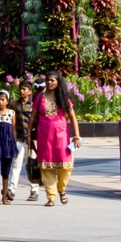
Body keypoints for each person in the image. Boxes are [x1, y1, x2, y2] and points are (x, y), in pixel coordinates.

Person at [32, 77, 78, 205]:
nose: (49, 82)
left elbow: (72, 117)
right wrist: (29, 135)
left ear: (58, 82)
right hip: (44, 136)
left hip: (61, 136)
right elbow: (33, 116)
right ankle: (51, 197)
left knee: (66, 165)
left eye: (52, 80)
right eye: (48, 80)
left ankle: (62, 189)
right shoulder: (40, 97)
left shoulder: (63, 97)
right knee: (46, 167)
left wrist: (77, 136)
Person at [0, 90, 21, 203]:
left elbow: (13, 129)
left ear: (7, 101)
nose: (0, 102)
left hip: (8, 144)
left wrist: (14, 142)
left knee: (6, 171)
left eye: (3, 99)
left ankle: (5, 196)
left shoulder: (11, 113)